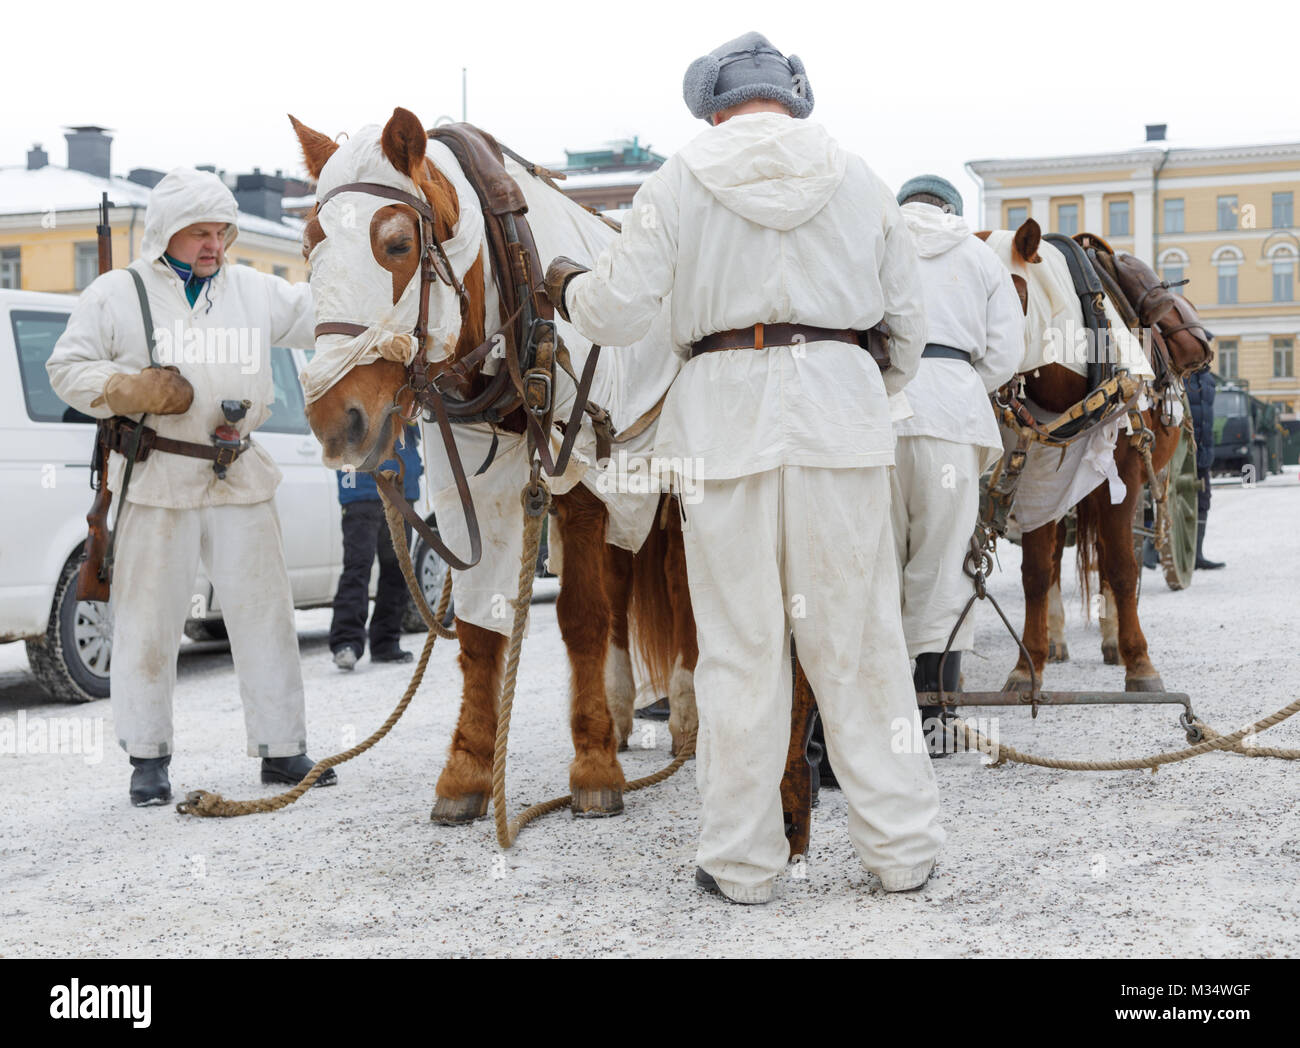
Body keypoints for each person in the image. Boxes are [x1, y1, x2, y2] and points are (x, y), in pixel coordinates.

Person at [545, 31, 944, 903]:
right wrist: (855, 383)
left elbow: (615, 312)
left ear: (713, 105)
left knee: (739, 649)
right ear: (792, 99)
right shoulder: (858, 176)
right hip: (840, 415)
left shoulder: (679, 179)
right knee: (863, 645)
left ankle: (744, 862)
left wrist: (567, 284)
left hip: (724, 423)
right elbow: (907, 322)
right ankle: (902, 850)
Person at [47, 167, 337, 807]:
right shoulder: (116, 293)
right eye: (199, 232)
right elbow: (65, 368)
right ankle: (147, 758)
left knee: (265, 617)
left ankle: (282, 747)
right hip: (157, 475)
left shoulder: (257, 291)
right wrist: (128, 389)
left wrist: (356, 257)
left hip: (240, 471)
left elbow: (326, 314)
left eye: (221, 231)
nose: (214, 245)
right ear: (165, 234)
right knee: (146, 622)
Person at [889, 175, 1023, 755]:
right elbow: (1004, 352)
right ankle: (935, 719)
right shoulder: (979, 255)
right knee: (944, 564)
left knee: (877, 563)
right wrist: (963, 382)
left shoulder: (876, 242)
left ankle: (875, 717)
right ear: (951, 209)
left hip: (879, 412)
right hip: (951, 413)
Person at [330, 424, 423, 669]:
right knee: (358, 568)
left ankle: (386, 643)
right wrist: (349, 493)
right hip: (362, 495)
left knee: (398, 570)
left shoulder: (409, 393)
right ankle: (346, 642)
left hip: (402, 491)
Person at [1184, 368, 1224, 569]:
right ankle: (1161, 549)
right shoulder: (1179, 374)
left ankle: (1197, 553)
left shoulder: (1208, 379)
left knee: (1203, 501)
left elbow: (1207, 416)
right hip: (1181, 452)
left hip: (1204, 449)